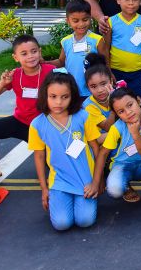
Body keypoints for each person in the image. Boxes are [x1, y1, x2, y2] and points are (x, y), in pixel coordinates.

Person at [28, 70, 100, 231]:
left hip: (85, 181)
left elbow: (96, 149)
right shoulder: (37, 124)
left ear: (72, 96)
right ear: (44, 96)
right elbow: (39, 157)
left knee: (85, 221)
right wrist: (44, 189)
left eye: (64, 97)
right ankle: (60, 199)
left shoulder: (83, 117)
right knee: (61, 224)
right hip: (59, 181)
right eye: (53, 96)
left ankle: (84, 201)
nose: (58, 102)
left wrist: (97, 181)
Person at [0, 35, 56, 178]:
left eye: (34, 51)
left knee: (52, 165)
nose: (30, 56)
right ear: (15, 57)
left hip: (44, 125)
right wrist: (3, 83)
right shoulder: (15, 75)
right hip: (21, 121)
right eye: (24, 53)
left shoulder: (51, 71)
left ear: (40, 52)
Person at [89, 86, 141, 212]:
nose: (128, 112)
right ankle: (126, 186)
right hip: (122, 166)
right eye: (121, 111)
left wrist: (135, 134)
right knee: (114, 190)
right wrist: (96, 182)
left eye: (130, 105)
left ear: (138, 101)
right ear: (117, 115)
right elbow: (103, 153)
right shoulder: (117, 127)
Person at [105, 0, 141, 111]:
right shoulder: (111, 22)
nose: (131, 3)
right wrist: (109, 72)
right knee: (118, 105)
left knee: (140, 104)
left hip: (138, 73)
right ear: (118, 0)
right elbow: (106, 48)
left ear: (140, 1)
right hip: (116, 72)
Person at [55, 0, 106, 97]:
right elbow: (61, 62)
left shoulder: (97, 40)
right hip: (71, 89)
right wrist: (44, 62)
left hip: (92, 91)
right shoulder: (66, 41)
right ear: (68, 21)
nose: (81, 24)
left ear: (90, 18)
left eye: (85, 19)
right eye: (75, 21)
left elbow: (105, 63)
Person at [82, 54, 115, 145]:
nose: (100, 90)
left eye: (103, 84)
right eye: (93, 86)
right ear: (88, 88)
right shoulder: (89, 106)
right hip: (100, 142)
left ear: (111, 81)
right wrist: (114, 104)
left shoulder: (118, 94)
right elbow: (107, 127)